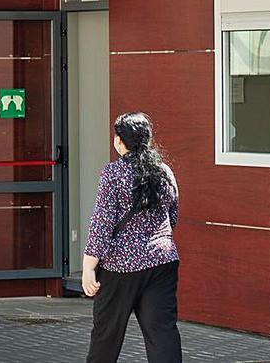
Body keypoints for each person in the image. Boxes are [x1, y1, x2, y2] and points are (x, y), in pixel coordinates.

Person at [83, 112, 181, 363]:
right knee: (162, 333)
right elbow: (172, 215)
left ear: (119, 141)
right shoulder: (164, 172)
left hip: (120, 266)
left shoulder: (114, 173)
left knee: (106, 335)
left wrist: (88, 267)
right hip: (162, 261)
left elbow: (102, 224)